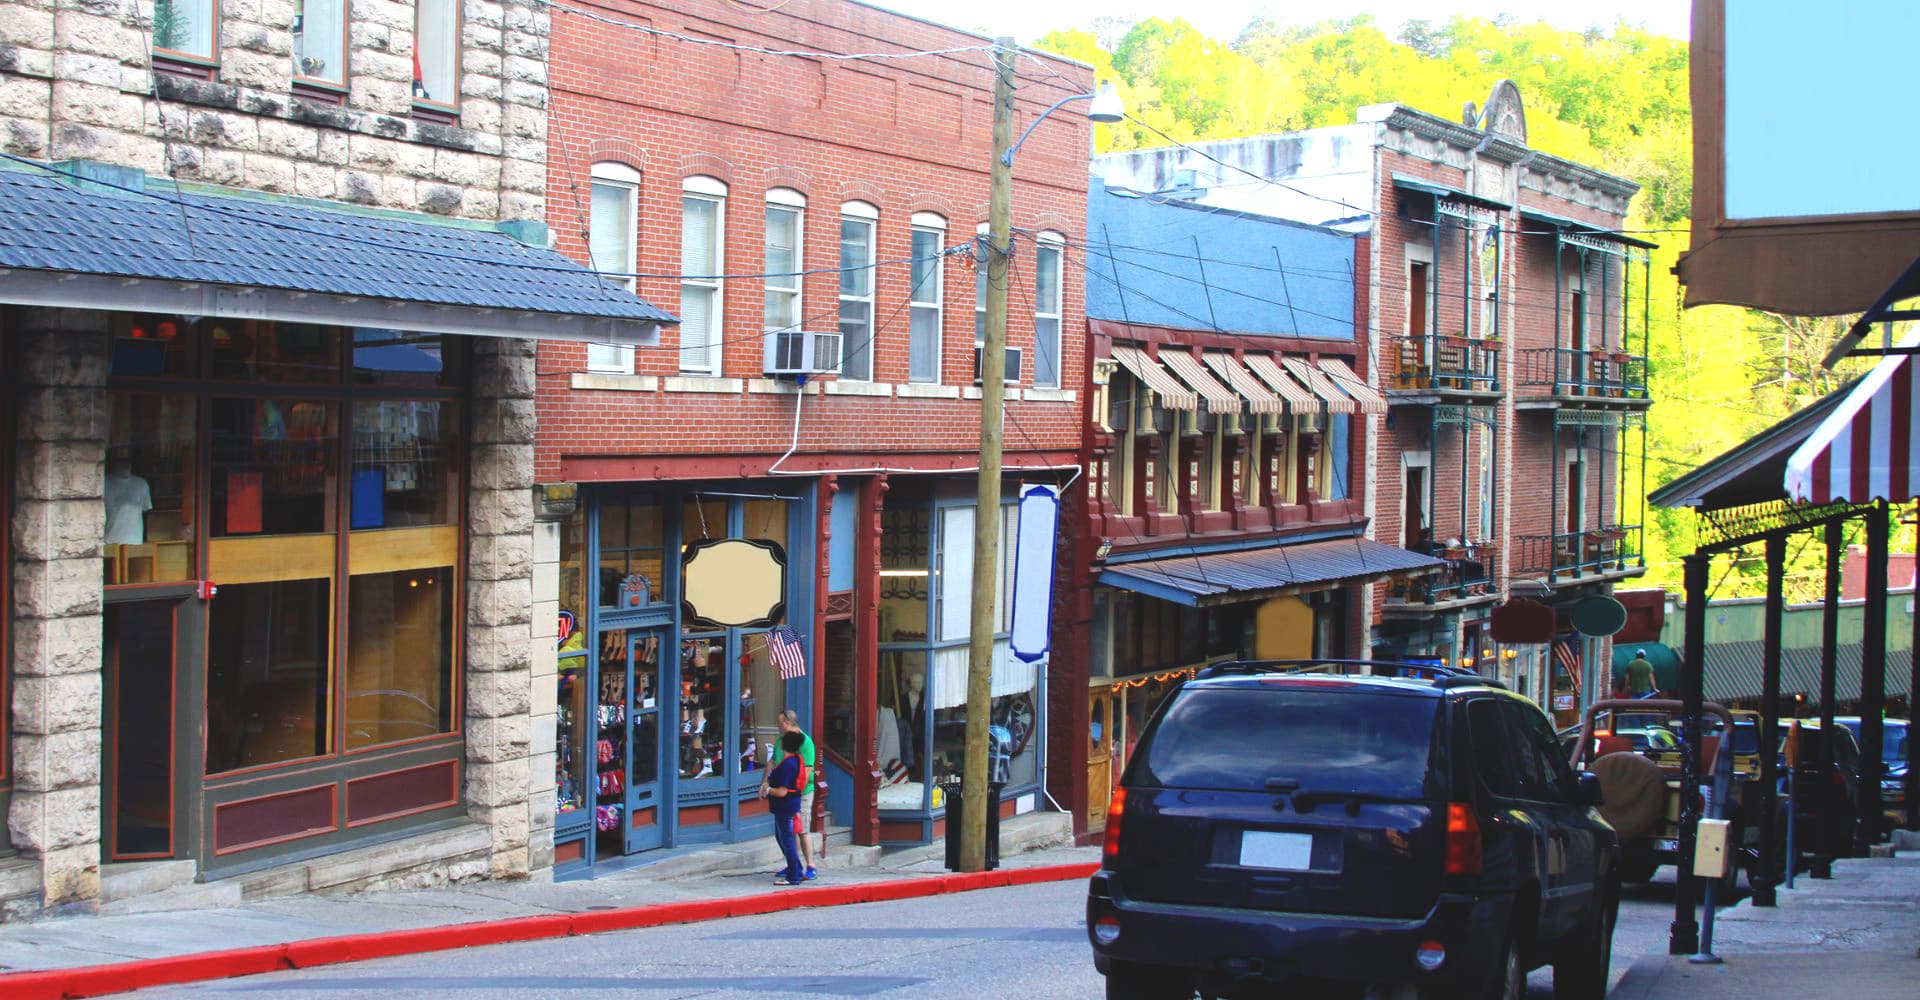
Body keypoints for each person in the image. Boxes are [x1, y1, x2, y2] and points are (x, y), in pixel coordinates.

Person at [762, 708, 823, 879]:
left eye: (780, 722)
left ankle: (810, 865)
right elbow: (773, 761)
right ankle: (793, 865)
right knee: (783, 832)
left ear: (787, 723)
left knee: (801, 829)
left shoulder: (805, 742)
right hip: (783, 792)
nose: (777, 725)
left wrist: (793, 792)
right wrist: (766, 781)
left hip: (799, 793)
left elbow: (808, 770)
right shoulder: (781, 740)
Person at [763, 730, 809, 886]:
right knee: (784, 838)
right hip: (790, 804)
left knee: (787, 840)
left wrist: (767, 790)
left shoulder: (788, 765)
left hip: (785, 806)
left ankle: (793, 876)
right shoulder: (796, 760)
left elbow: (782, 791)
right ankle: (797, 869)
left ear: (784, 744)